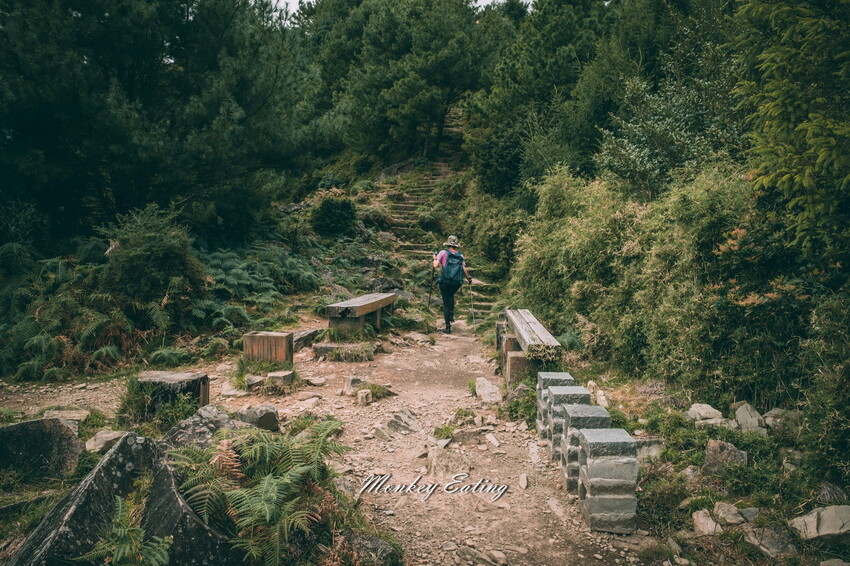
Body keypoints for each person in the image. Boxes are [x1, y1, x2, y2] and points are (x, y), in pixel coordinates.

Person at [433, 235, 472, 334]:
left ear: (447, 244)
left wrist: (434, 258)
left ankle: (447, 327)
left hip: (445, 281)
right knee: (451, 295)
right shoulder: (460, 255)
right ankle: (451, 315)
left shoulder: (443, 253)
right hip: (456, 282)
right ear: (456, 245)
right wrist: (468, 278)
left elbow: (435, 265)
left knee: (446, 301)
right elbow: (463, 269)